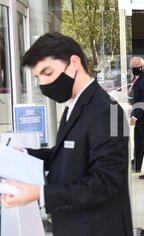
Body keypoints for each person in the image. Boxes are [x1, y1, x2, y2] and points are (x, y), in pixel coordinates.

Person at [0, 32, 133, 236]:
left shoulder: (108, 110)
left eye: (48, 72)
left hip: (97, 229)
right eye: (38, 78)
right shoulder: (74, 105)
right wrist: (25, 154)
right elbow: (67, 155)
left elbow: (106, 182)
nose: (43, 84)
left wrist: (40, 193)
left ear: (74, 63)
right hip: (75, 225)